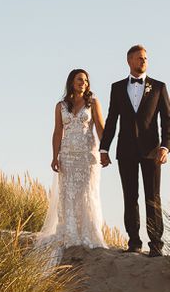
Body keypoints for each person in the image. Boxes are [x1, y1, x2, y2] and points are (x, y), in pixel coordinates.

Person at [99, 45, 169, 257]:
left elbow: (167, 120)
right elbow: (111, 120)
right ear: (129, 60)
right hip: (126, 151)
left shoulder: (158, 87)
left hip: (152, 152)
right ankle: (134, 242)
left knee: (153, 197)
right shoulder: (117, 88)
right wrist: (104, 148)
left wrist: (165, 147)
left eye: (146, 58)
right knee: (130, 196)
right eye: (139, 58)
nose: (144, 61)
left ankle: (155, 244)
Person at [37, 69, 107, 258]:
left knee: (86, 194)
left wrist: (104, 151)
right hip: (67, 156)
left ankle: (87, 234)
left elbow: (100, 127)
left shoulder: (92, 103)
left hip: (87, 156)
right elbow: (57, 132)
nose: (83, 83)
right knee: (68, 195)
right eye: (79, 79)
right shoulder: (61, 106)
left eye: (85, 80)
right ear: (71, 82)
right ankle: (70, 234)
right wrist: (55, 156)